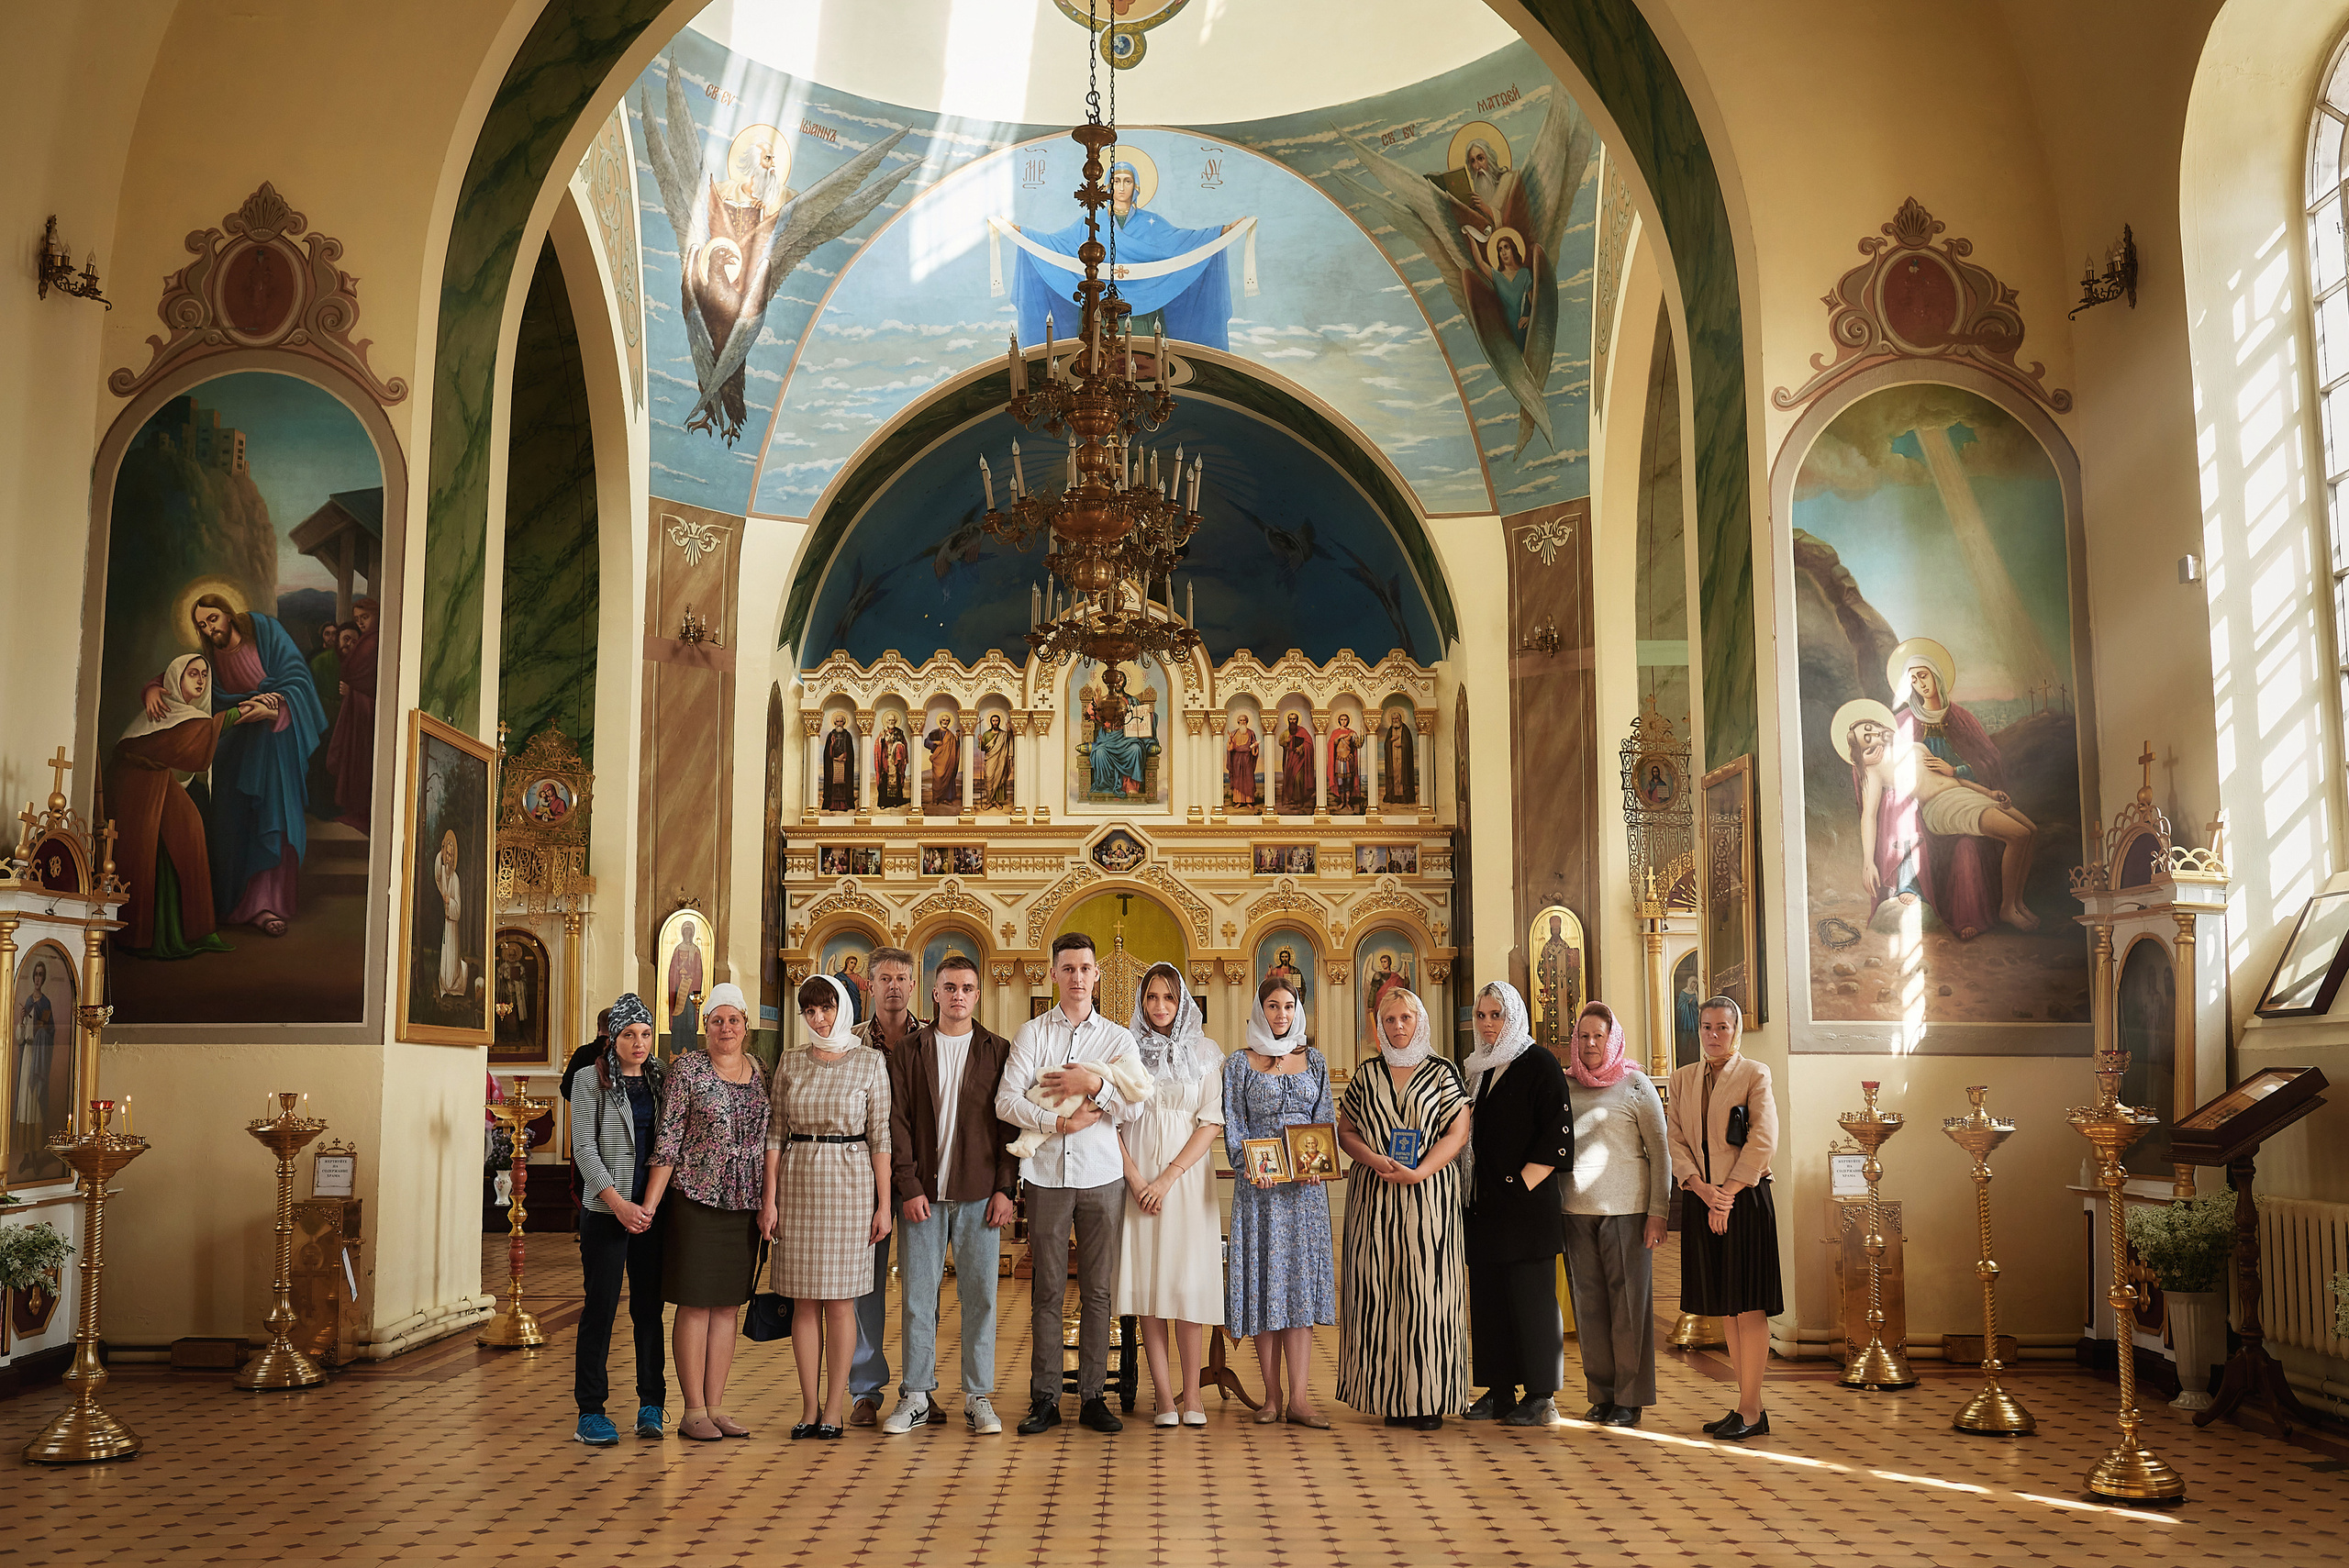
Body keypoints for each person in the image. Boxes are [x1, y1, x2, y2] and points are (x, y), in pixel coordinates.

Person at [996, 930, 1140, 1435]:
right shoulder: (1033, 1034)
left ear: (1097, 976)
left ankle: (1096, 1395)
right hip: (1046, 1176)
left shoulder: (1119, 1039)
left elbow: (1136, 1104)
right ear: (1053, 974)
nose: (1078, 978)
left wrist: (1093, 1084)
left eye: (1085, 968)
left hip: (1103, 1175)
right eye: (1068, 969)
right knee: (1048, 1290)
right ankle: (1046, 1398)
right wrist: (1056, 1122)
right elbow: (1005, 1101)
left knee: (1099, 1290)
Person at [880, 953, 1019, 1436]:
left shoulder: (997, 1050)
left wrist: (1006, 1187)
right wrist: (908, 1185)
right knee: (919, 1298)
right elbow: (896, 1122)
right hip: (923, 1196)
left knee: (980, 1297)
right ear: (934, 993)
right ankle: (916, 1394)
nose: (958, 995)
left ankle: (978, 1396)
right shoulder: (910, 1051)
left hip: (982, 1193)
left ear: (978, 995)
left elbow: (1009, 1125)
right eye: (950, 987)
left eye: (967, 988)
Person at [149, 593, 326, 936]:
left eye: (213, 618)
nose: (209, 628)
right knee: (235, 823)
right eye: (202, 624)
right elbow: (178, 677)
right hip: (236, 746)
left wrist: (275, 708)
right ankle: (236, 904)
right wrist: (151, 689)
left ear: (228, 614)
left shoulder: (265, 631)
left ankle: (269, 906)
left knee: (272, 818)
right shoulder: (209, 660)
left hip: (276, 744)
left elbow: (298, 677)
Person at [762, 974, 892, 1440]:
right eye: (810, 1011)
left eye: (827, 1008)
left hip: (851, 1183)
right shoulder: (792, 1061)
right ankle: (809, 1406)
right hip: (797, 1182)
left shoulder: (870, 1062)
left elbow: (881, 1138)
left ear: (844, 1008)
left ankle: (836, 1406)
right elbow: (775, 1134)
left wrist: (883, 1204)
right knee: (803, 1300)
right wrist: (769, 1199)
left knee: (840, 1302)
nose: (819, 1018)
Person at [1333, 985, 1470, 1431]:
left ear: (1420, 1021)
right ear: (1378, 1026)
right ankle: (1389, 1394)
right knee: (1380, 1293)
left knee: (1429, 1295)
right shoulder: (1366, 1074)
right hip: (1373, 1198)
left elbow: (1458, 1132)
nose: (1397, 1027)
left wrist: (1421, 1170)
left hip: (1429, 1199)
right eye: (1388, 1020)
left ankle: (1429, 1397)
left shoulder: (1442, 1070)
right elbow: (1346, 1130)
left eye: (1405, 1019)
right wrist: (1373, 1159)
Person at [641, 982, 767, 1443]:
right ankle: (692, 1408)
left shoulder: (761, 1070)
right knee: (695, 1304)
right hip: (695, 1196)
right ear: (705, 1026)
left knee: (728, 1306)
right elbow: (669, 1139)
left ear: (745, 1025)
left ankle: (715, 1405)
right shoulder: (688, 1070)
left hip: (744, 1201)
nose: (726, 1028)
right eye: (717, 1021)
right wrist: (651, 1205)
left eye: (734, 1020)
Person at [1112, 962, 1227, 1428]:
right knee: (1150, 1286)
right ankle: (1162, 1396)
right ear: (1142, 1001)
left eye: (1169, 997)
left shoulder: (1205, 1051)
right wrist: (1138, 1180)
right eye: (1152, 997)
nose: (1159, 1007)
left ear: (1182, 1002)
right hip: (1136, 1179)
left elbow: (1211, 1121)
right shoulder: (1123, 1050)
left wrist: (1167, 1178)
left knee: (1186, 1285)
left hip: (1187, 1181)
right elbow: (1110, 1123)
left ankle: (1193, 1397)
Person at [1223, 974, 1337, 1428]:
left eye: (1288, 1006)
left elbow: (1323, 1118)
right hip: (1260, 1193)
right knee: (1265, 1290)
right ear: (1259, 1009)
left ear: (1298, 1010)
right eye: (1272, 1006)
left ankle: (1301, 1399)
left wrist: (1319, 1165)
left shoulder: (1315, 1062)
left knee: (1299, 1293)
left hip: (1305, 1198)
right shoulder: (1238, 1064)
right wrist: (1252, 1166)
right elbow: (1232, 1122)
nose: (1281, 1015)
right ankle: (1271, 1398)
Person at [1666, 995, 1781, 1440]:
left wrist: (1727, 1194)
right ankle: (1744, 1404)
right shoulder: (1683, 1079)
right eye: (1707, 1028)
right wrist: (1701, 1189)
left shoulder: (1755, 1074)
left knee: (1748, 1304)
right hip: (1702, 1198)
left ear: (1737, 1032)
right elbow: (1675, 1139)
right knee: (1726, 1308)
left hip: (1745, 1199)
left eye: (1723, 1028)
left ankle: (1752, 1410)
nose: (1714, 1036)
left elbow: (1762, 1138)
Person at [1460, 980, 1574, 1429]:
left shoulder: (1539, 1063)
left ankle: (1541, 1396)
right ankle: (1499, 1390)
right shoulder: (1477, 1069)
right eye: (1482, 1016)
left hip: (1526, 1208)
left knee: (1532, 1302)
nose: (1488, 1025)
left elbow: (1557, 1136)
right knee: (1490, 1300)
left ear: (1515, 1017)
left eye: (1497, 1016)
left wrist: (1520, 1186)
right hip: (1484, 1206)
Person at [1559, 1001, 1669, 1427]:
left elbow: (1660, 1154)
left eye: (1598, 1036)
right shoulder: (1564, 1086)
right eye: (1583, 1036)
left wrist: (1658, 1212)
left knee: (1628, 1308)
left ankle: (1630, 1397)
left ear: (1612, 1039)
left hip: (1628, 1212)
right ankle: (1602, 1393)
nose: (1589, 1044)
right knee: (1589, 1307)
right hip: (1575, 1211)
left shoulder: (1636, 1085)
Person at [569, 993, 669, 1446]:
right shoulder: (592, 1079)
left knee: (648, 1309)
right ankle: (590, 1410)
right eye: (630, 1034)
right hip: (608, 1212)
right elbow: (584, 1150)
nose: (639, 1043)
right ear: (614, 1037)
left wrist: (645, 1206)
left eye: (646, 1034)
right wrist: (618, 1204)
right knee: (601, 1309)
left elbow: (667, 1144)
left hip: (650, 1212)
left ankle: (652, 1404)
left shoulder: (660, 1079)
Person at [106, 652, 235, 958]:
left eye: (205, 674)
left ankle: (198, 930)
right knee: (148, 846)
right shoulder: (166, 710)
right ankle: (146, 935)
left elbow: (194, 743)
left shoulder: (185, 713)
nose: (201, 680)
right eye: (193, 674)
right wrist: (240, 714)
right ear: (176, 679)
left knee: (189, 829)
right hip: (135, 786)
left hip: (157, 779)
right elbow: (194, 745)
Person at [844, 945, 923, 1425]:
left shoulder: (933, 1039)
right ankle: (865, 1389)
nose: (894, 986)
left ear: (915, 985)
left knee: (922, 1284)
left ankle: (921, 1386)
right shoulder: (850, 1041)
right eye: (885, 979)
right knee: (863, 1282)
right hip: (861, 1181)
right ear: (869, 985)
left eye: (902, 978)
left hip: (917, 1175)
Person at [325, 596, 378, 833]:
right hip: (359, 712)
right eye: (357, 619)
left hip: (368, 714)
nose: (361, 623)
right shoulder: (368, 641)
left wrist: (353, 690)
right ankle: (354, 811)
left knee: (362, 762)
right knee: (354, 760)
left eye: (364, 617)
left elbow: (368, 680)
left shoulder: (373, 643)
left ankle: (362, 814)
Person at [562, 1007, 618, 1222]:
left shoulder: (583, 1053)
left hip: (586, 1128)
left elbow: (566, 1089)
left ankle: (586, 1219)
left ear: (598, 1027)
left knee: (583, 1177)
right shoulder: (624, 1056)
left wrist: (583, 1103)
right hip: (615, 1134)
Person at [433, 830, 467, 998]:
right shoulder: (444, 876)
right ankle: (444, 985)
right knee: (444, 956)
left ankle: (452, 984)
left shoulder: (455, 878)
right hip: (446, 923)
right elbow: (437, 876)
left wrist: (450, 902)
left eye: (451, 855)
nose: (448, 858)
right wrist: (441, 849)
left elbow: (458, 907)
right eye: (447, 853)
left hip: (453, 925)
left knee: (452, 958)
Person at [664, 920, 704, 1054]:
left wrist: (691, 976)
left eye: (689, 931)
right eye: (685, 931)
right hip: (679, 992)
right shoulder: (678, 949)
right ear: (682, 933)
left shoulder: (696, 950)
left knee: (690, 1023)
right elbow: (672, 971)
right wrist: (678, 974)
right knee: (679, 1022)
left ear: (692, 933)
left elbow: (699, 971)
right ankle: (675, 1051)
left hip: (690, 991)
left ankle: (691, 1051)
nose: (687, 934)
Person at [821, 713, 858, 811]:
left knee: (844, 783)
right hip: (833, 765)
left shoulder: (847, 735)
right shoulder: (831, 735)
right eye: (837, 722)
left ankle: (845, 805)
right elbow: (826, 752)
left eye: (841, 721)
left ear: (844, 722)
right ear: (834, 723)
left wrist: (845, 755)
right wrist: (832, 746)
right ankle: (832, 805)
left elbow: (850, 751)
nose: (839, 724)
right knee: (833, 784)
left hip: (845, 764)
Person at [1227, 711, 1260, 808]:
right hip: (1236, 759)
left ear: (1247, 721)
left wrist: (1254, 747)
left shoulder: (1251, 733)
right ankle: (1239, 801)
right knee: (1238, 780)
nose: (1242, 722)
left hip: (1247, 759)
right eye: (1240, 720)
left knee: (1248, 779)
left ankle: (1249, 801)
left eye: (1244, 720)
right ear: (1238, 722)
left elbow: (1254, 747)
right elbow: (1230, 748)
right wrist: (1230, 740)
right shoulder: (1234, 733)